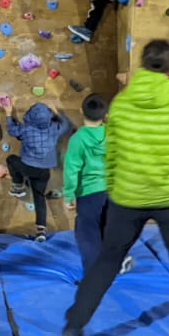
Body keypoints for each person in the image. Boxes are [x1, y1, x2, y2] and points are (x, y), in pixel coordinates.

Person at [62, 39, 169, 336]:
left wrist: (115, 189)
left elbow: (113, 155)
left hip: (128, 197)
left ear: (143, 65)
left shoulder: (121, 105)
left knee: (107, 262)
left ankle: (74, 326)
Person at [61, 93, 119, 276]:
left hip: (89, 193)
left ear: (81, 111)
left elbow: (71, 169)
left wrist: (68, 194)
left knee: (87, 233)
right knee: (106, 229)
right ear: (105, 115)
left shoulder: (78, 139)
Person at [5, 101, 70, 242]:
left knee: (11, 159)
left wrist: (8, 114)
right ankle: (41, 230)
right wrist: (56, 111)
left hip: (27, 167)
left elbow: (12, 130)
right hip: (43, 171)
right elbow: (65, 125)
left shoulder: (26, 129)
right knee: (39, 197)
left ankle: (18, 186)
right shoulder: (54, 128)